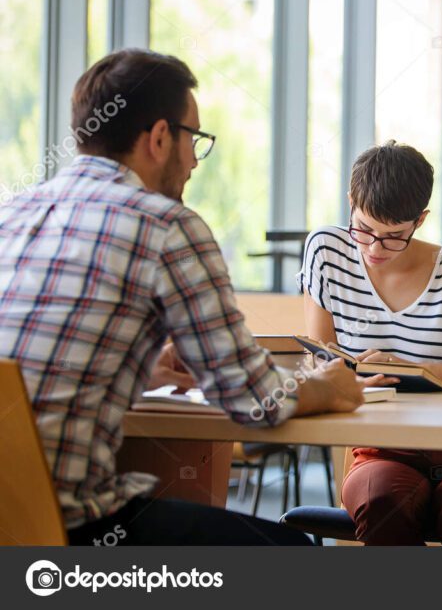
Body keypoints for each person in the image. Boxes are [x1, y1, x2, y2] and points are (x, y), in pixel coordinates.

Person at [0, 49, 378, 546]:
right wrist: (331, 385)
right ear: (160, 137)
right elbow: (254, 397)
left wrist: (135, 369)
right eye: (194, 139)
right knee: (293, 550)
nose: (196, 161)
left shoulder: (15, 213)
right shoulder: (164, 224)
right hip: (68, 528)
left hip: (12, 520)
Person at [299, 140, 442, 545]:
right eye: (365, 229)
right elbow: (321, 363)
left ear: (420, 221)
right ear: (351, 200)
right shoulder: (327, 252)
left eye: (394, 236)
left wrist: (416, 373)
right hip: (381, 452)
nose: (375, 248)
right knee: (386, 501)